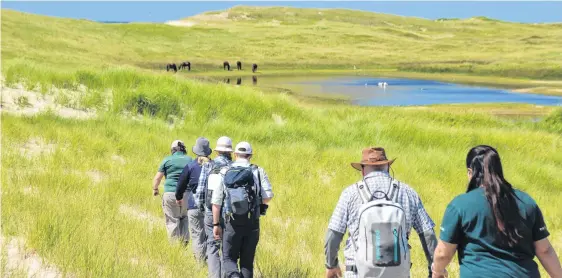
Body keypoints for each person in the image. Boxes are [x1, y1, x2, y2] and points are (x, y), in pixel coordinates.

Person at [431, 145, 562, 278]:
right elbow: (544, 250)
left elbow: (443, 254)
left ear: (470, 172)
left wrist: (437, 272)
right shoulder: (526, 202)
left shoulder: (459, 205)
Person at [325, 147, 438, 278]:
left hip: (358, 273)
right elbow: (428, 234)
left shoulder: (350, 194)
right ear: (388, 166)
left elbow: (333, 235)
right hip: (398, 273)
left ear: (362, 170)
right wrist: (434, 270)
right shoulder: (408, 193)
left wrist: (331, 265)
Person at [211, 142, 273, 278]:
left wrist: (216, 224)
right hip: (252, 222)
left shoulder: (225, 171)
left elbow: (216, 202)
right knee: (247, 262)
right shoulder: (258, 171)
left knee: (228, 259)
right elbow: (268, 196)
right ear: (250, 155)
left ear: (235, 154)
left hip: (231, 222)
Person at [195, 136, 234, 278]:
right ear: (230, 152)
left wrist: (202, 209)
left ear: (217, 151)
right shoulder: (234, 166)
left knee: (212, 245)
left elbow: (200, 191)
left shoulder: (209, 165)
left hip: (211, 211)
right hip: (229, 213)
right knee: (226, 247)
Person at [176, 137, 213, 262]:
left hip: (194, 204)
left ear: (196, 151)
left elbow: (181, 184)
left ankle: (199, 263)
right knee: (210, 235)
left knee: (197, 235)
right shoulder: (214, 166)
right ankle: (210, 263)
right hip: (212, 206)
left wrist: (178, 197)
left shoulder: (191, 166)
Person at [152, 140, 193, 244]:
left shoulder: (167, 160)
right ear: (184, 149)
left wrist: (155, 189)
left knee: (172, 220)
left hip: (170, 194)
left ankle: (174, 247)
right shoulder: (189, 159)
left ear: (172, 150)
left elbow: (157, 178)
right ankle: (184, 243)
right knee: (184, 218)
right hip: (186, 194)